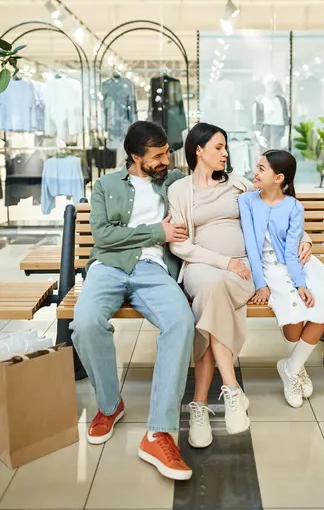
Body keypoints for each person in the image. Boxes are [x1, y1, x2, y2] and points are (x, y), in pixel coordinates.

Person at [167, 124, 312, 449]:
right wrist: (224, 262)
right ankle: (231, 388)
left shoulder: (238, 185)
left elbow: (278, 208)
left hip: (246, 268)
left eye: (226, 147)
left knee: (210, 304)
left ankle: (200, 405)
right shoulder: (179, 190)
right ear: (198, 150)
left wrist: (306, 238)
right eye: (218, 147)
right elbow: (179, 245)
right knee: (211, 288)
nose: (225, 153)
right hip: (202, 266)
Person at [70, 121, 195, 481]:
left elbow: (209, 186)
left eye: (166, 153)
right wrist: (158, 231)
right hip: (108, 266)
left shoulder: (173, 183)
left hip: (153, 268)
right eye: (156, 156)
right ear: (134, 156)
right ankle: (110, 405)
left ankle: (159, 431)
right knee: (86, 322)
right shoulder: (106, 186)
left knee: (181, 322)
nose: (164, 161)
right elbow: (103, 237)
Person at [239, 149, 324, 409]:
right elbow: (252, 246)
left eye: (262, 168)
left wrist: (301, 283)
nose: (256, 172)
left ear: (278, 178)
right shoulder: (247, 200)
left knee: (319, 307)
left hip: (300, 265)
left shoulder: (294, 206)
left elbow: (290, 249)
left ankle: (292, 367)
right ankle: (295, 369)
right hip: (267, 268)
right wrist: (260, 283)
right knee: (293, 313)